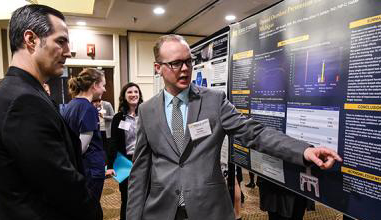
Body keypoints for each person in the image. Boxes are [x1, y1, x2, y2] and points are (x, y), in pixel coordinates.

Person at [126, 34, 342, 220]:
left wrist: (304, 150)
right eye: (176, 63)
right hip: (162, 211)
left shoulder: (213, 101)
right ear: (158, 68)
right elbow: (139, 172)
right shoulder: (147, 111)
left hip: (208, 209)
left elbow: (254, 133)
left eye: (189, 62)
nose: (185, 69)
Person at [0, 4, 102, 220]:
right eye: (60, 41)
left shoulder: (18, 92)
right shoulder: (23, 100)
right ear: (31, 39)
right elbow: (60, 184)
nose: (68, 51)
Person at [63, 68, 106, 202]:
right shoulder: (88, 108)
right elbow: (82, 147)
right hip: (90, 170)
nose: (104, 90)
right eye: (103, 85)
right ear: (94, 85)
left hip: (79, 168)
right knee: (91, 208)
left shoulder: (70, 105)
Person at [106, 82, 143, 220]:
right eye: (130, 92)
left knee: (145, 195)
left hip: (143, 160)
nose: (133, 95)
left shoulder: (145, 114)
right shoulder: (118, 117)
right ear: (124, 96)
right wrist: (109, 165)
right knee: (127, 198)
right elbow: (113, 142)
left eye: (136, 92)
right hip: (125, 163)